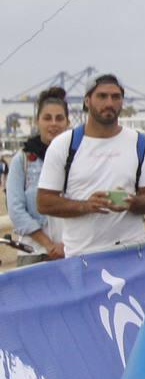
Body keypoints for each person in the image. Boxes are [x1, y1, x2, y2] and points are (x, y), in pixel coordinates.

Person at [35, 74, 145, 256]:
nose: (109, 102)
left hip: (131, 253)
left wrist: (132, 203)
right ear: (87, 101)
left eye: (116, 97)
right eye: (102, 96)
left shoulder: (139, 143)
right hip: (82, 255)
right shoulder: (64, 144)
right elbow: (44, 202)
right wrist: (86, 205)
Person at [6, 86, 70, 259]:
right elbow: (15, 209)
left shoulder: (77, 158)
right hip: (33, 253)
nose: (53, 124)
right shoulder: (22, 160)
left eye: (59, 118)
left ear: (67, 122)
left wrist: (65, 245)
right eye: (47, 118)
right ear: (37, 121)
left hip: (72, 251)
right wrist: (49, 245)